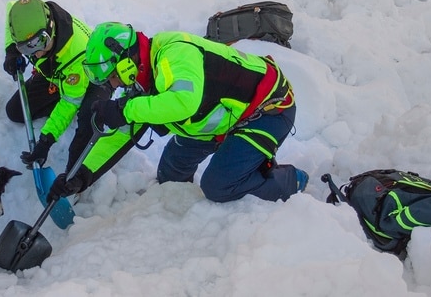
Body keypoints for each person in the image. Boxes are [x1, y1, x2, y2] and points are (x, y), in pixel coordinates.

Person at [47, 21, 309, 204]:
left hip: (267, 110)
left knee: (217, 187)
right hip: (224, 118)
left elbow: (185, 102)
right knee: (170, 176)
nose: (114, 85)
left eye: (113, 77)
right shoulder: (141, 78)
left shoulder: (175, 53)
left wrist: (126, 109)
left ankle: (289, 180)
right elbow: (123, 132)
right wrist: (82, 176)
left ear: (126, 63)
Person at [3, 0, 111, 172]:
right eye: (25, 48)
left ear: (51, 28)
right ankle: (58, 99)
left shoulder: (78, 55)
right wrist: (11, 51)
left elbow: (70, 101)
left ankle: (74, 176)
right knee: (15, 111)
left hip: (94, 77)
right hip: (56, 74)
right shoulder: (29, 19)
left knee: (88, 121)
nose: (36, 54)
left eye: (40, 42)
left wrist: (46, 140)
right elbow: (11, 9)